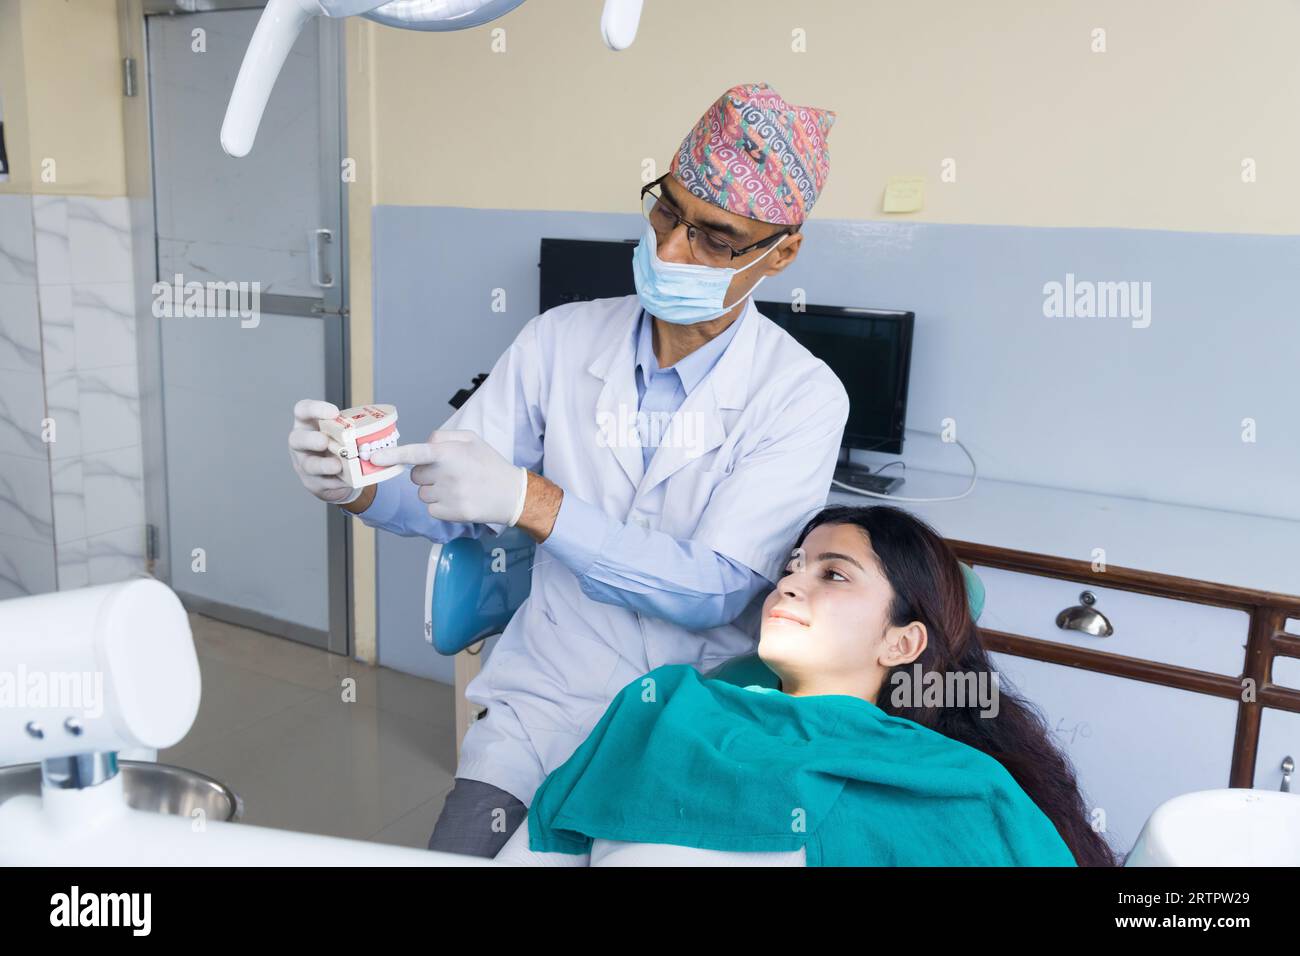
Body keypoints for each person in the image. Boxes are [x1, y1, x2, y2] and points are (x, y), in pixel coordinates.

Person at [286, 82, 849, 856]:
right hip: (543, 699)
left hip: (693, 718)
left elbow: (715, 586)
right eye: (666, 213)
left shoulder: (802, 396)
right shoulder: (561, 339)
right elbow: (455, 486)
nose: (671, 250)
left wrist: (537, 502)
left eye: (715, 239)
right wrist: (356, 483)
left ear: (782, 251)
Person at [494, 505, 1118, 867]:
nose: (790, 585)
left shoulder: (954, 783)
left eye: (834, 575)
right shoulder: (663, 711)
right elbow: (540, 851)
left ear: (900, 643)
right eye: (793, 568)